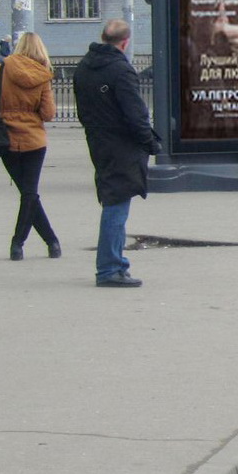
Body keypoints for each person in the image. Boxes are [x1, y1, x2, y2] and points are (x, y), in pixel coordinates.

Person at [74, 19, 160, 288]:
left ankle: (116, 264)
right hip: (122, 146)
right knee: (117, 205)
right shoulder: (121, 70)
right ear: (126, 41)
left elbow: (83, 111)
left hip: (99, 141)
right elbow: (136, 114)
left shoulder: (84, 67)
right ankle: (109, 268)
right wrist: (151, 143)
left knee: (113, 199)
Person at [0, 31, 58, 260]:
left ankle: (45, 242)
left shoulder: (0, 70)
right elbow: (48, 113)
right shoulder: (43, 76)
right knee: (30, 193)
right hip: (35, 141)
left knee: (27, 192)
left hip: (6, 141)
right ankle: (30, 243)